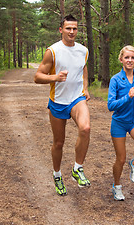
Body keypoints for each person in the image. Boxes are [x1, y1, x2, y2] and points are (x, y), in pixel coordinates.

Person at [34, 14, 91, 196]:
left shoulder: (83, 50)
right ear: (61, 30)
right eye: (68, 28)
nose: (72, 32)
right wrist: (54, 77)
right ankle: (57, 175)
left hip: (77, 98)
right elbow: (37, 77)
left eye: (75, 28)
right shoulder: (52, 51)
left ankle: (77, 168)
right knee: (59, 143)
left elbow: (83, 68)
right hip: (58, 101)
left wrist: (86, 87)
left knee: (85, 128)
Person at [107, 45, 134, 201]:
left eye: (132, 57)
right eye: (127, 57)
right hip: (119, 122)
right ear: (121, 60)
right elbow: (110, 105)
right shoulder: (115, 80)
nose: (130, 60)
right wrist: (128, 97)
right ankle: (117, 187)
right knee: (120, 159)